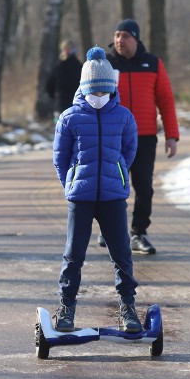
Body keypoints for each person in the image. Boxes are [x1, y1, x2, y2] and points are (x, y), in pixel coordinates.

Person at [52, 46, 142, 333]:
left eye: (104, 92)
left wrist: (117, 171)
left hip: (113, 197)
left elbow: (129, 150)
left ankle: (128, 306)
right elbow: (60, 157)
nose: (99, 98)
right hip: (81, 196)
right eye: (95, 92)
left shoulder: (125, 117)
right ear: (84, 88)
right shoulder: (69, 118)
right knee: (73, 254)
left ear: (111, 90)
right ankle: (66, 307)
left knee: (121, 253)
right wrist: (71, 180)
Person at [100, 18, 180, 255]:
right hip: (113, 136)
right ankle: (108, 229)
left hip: (144, 137)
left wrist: (171, 135)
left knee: (144, 187)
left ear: (136, 38)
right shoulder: (105, 64)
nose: (119, 40)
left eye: (125, 36)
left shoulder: (152, 63)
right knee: (111, 185)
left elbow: (165, 100)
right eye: (116, 35)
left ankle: (139, 233)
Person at [46, 39, 83, 114]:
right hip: (76, 104)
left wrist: (55, 97)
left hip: (60, 105)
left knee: (59, 124)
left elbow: (49, 85)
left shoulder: (59, 65)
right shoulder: (79, 66)